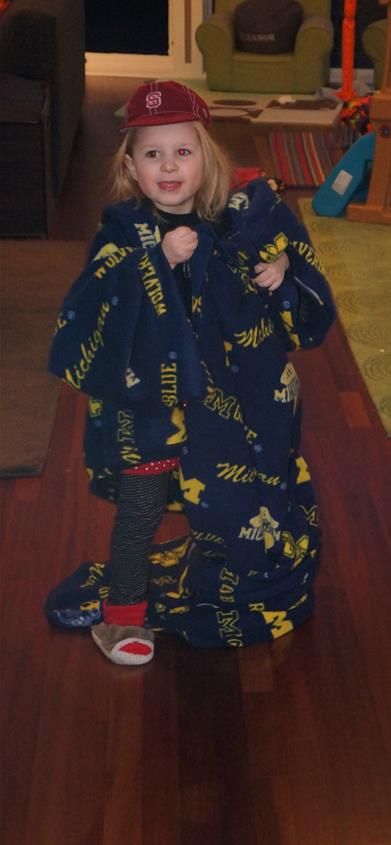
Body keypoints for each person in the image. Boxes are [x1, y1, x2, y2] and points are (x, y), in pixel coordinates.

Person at [47, 81, 335, 665]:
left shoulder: (237, 222)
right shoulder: (122, 233)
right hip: (148, 410)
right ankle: (122, 616)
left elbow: (296, 310)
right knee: (142, 507)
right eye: (152, 154)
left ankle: (240, 572)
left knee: (239, 497)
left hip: (227, 405)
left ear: (208, 158)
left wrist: (280, 268)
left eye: (183, 151)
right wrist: (156, 261)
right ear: (130, 166)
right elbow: (90, 309)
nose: (169, 166)